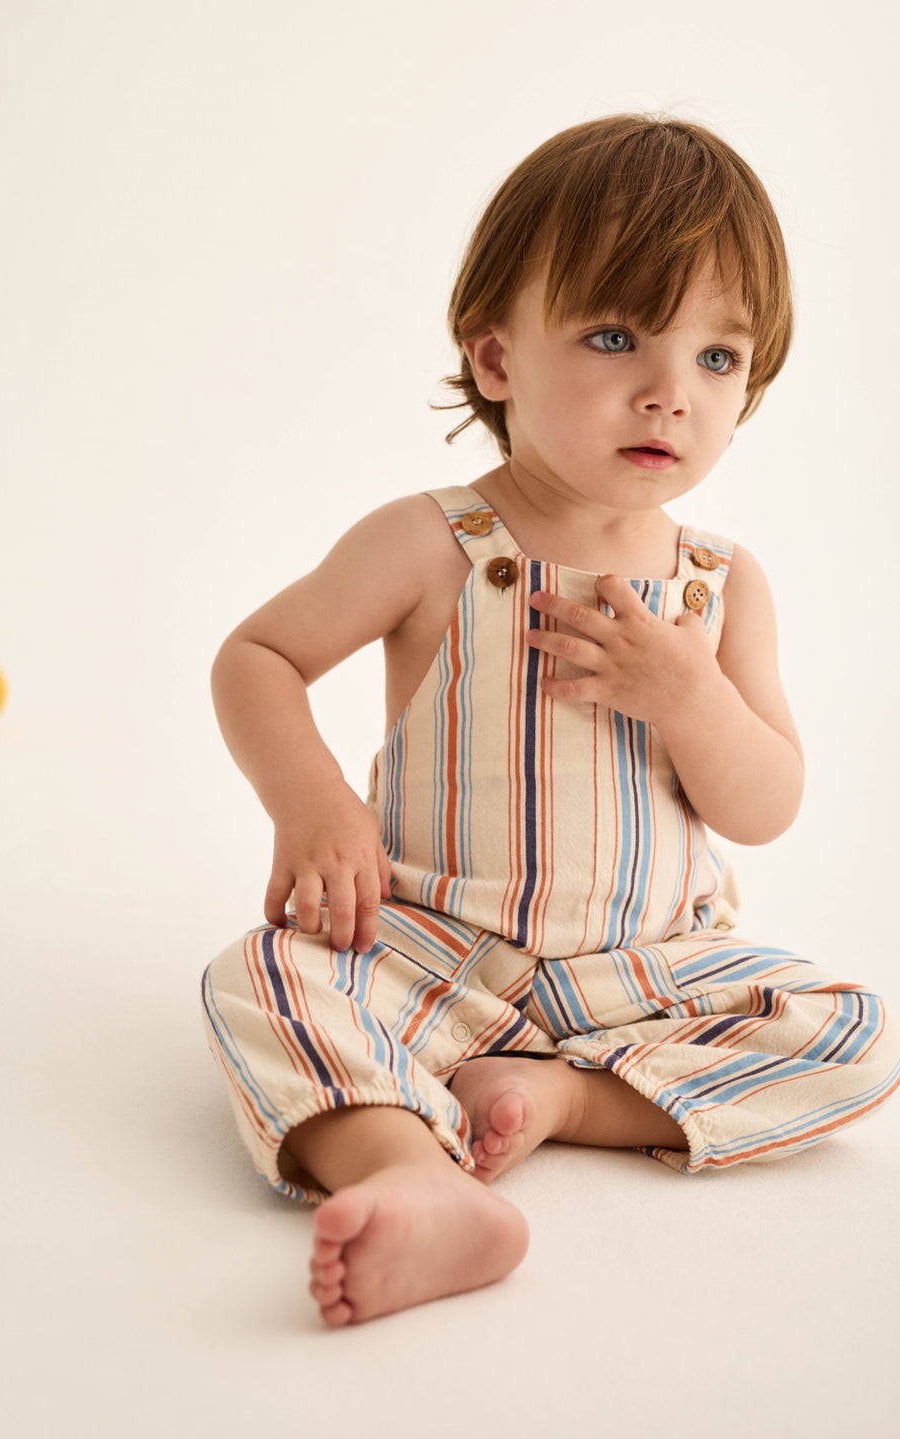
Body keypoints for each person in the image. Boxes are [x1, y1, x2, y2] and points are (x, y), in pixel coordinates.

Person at [202, 115, 900, 1327]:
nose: (669, 393)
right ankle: (414, 1178)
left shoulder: (719, 585)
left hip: (649, 966)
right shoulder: (434, 542)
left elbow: (767, 804)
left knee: (857, 1032)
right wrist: (312, 802)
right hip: (432, 945)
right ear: (495, 358)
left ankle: (571, 1099)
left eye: (718, 357)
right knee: (260, 976)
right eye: (616, 337)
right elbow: (257, 657)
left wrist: (691, 695)